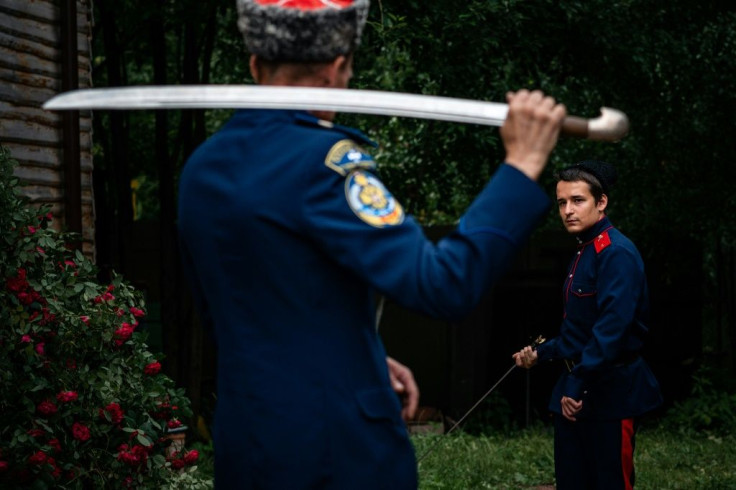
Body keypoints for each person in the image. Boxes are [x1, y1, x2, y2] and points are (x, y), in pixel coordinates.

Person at [177, 0, 566, 488]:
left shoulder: (202, 170)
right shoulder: (325, 163)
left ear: (255, 65)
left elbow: (246, 314)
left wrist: (353, 353)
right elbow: (443, 284)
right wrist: (522, 165)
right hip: (336, 455)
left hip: (247, 447)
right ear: (340, 67)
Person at [513, 160, 663, 489]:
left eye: (578, 200)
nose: (568, 210)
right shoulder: (585, 251)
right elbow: (580, 330)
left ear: (601, 202)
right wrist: (541, 353)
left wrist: (577, 385)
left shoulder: (616, 253)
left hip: (609, 393)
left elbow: (611, 331)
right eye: (562, 202)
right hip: (575, 391)